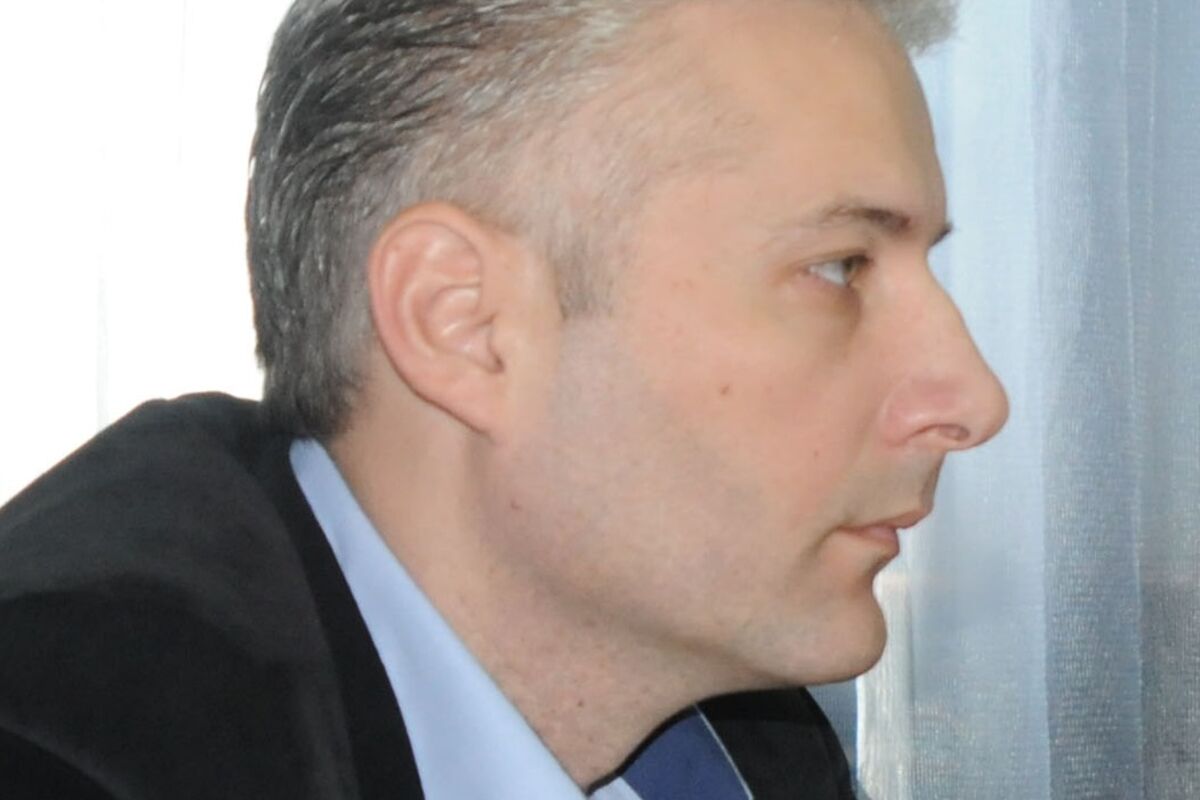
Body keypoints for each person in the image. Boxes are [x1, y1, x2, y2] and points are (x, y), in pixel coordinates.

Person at [0, 0, 1008, 797]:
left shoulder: (751, 750)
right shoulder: (65, 749)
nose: (973, 399)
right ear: (464, 323)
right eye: (839, 267)